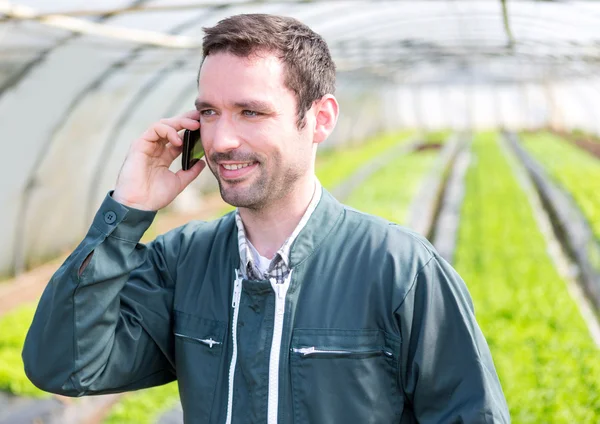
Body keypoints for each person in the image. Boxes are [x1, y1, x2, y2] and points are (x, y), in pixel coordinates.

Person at [23, 13, 510, 424]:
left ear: (319, 119)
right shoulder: (182, 262)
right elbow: (65, 366)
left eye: (250, 112)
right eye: (209, 113)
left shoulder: (400, 271)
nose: (221, 141)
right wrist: (127, 212)